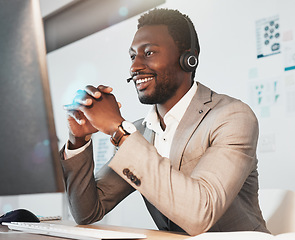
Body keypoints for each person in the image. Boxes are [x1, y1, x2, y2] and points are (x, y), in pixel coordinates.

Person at [60, 8, 269, 236]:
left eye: (148, 53)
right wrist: (79, 138)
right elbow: (87, 211)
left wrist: (117, 129)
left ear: (188, 58)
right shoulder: (140, 132)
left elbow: (201, 213)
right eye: (132, 56)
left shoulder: (232, 116)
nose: (134, 66)